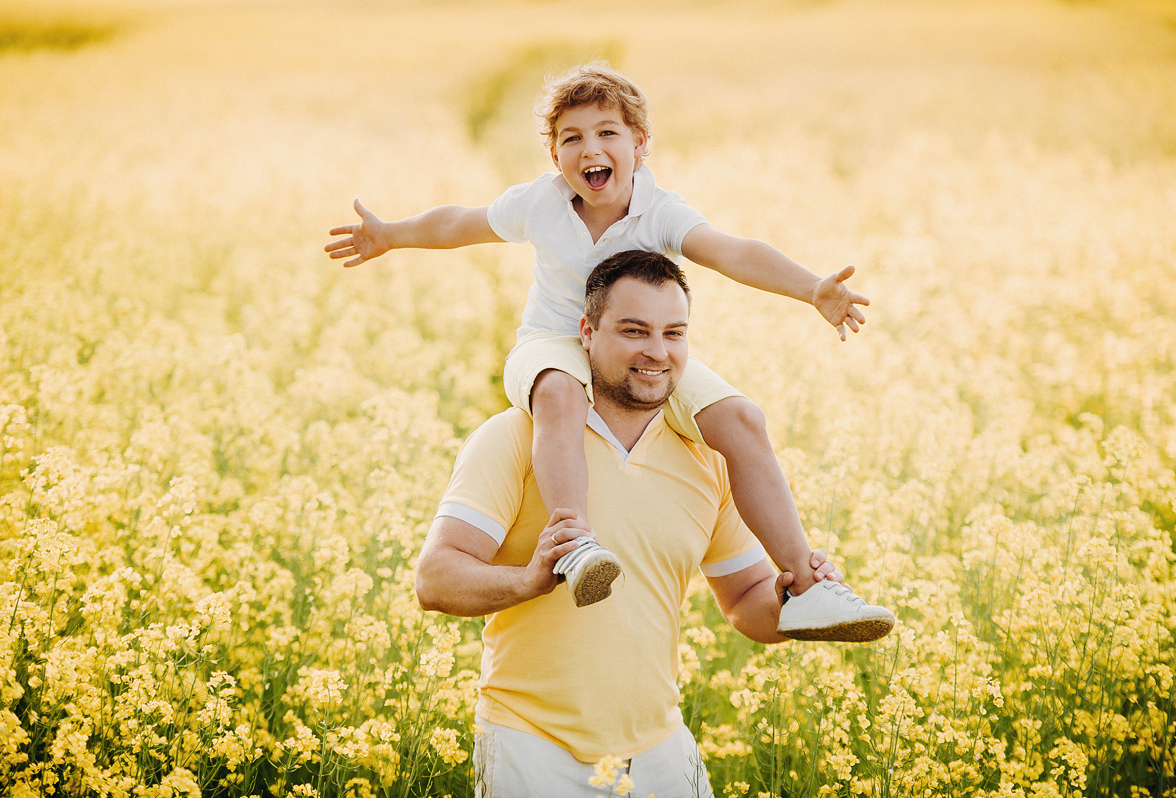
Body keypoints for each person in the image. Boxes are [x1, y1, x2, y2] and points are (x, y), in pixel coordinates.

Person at [329, 61, 893, 641]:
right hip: (553, 342)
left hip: (638, 348)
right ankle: (575, 543)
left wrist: (810, 289)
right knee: (560, 393)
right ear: (555, 157)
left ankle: (805, 585)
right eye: (571, 138)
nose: (589, 148)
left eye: (607, 133)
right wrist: (389, 234)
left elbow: (732, 251)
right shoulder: (540, 203)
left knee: (742, 419)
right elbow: (458, 223)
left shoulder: (661, 211)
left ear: (640, 145)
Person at [415, 250, 885, 797]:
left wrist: (787, 602)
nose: (656, 352)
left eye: (674, 333)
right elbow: (435, 579)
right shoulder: (518, 436)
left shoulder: (708, 457)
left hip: (661, 749)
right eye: (634, 331)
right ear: (586, 332)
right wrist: (528, 580)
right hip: (532, 744)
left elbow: (744, 601)